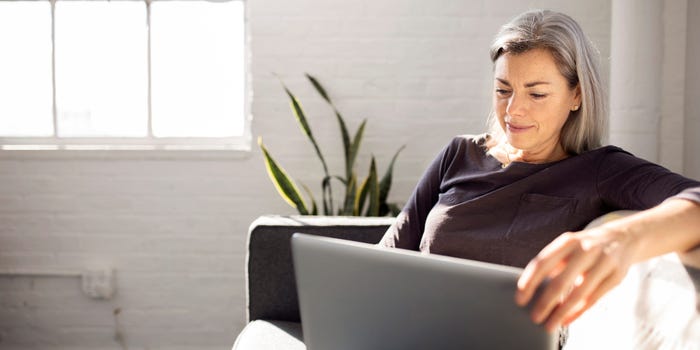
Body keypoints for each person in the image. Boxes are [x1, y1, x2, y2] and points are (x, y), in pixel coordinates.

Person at [379, 9, 700, 334]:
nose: (514, 110)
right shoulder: (458, 154)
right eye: (503, 90)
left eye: (537, 94)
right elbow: (385, 262)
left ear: (576, 95)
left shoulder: (600, 170)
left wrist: (621, 238)